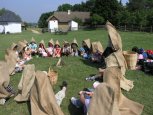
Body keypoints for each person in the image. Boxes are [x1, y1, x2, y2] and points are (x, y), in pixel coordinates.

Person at [88, 21, 144, 115]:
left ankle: (109, 84)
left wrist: (107, 53)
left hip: (113, 61)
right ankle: (106, 81)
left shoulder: (113, 36)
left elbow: (115, 46)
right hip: (112, 59)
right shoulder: (113, 36)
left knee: (110, 75)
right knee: (108, 74)